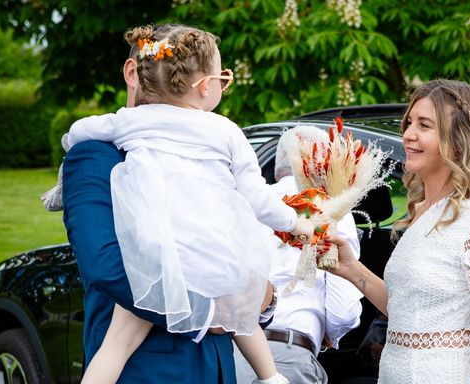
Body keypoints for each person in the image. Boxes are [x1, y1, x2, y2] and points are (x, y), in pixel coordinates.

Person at [62, 23, 314, 384]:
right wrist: (209, 311)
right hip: (156, 371)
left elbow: (81, 128)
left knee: (117, 345)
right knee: (120, 340)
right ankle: (271, 376)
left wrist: (258, 299)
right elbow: (105, 267)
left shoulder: (125, 126)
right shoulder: (96, 158)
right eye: (221, 79)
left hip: (216, 366)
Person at [322, 79, 470, 383]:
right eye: (409, 122)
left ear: (459, 141)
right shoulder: (420, 210)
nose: (408, 135)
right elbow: (407, 309)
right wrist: (351, 269)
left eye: (424, 125)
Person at [234, 126, 363, 384]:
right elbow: (343, 311)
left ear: (279, 165)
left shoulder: (243, 204)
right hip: (290, 356)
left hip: (233, 353)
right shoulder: (332, 211)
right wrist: (330, 336)